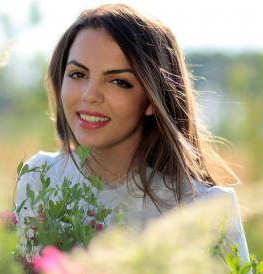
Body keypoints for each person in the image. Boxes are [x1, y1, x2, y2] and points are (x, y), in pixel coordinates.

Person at [15, 3, 249, 263]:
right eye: (78, 74)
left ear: (151, 99)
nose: (90, 95)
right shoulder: (40, 179)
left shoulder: (207, 208)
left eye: (118, 81)